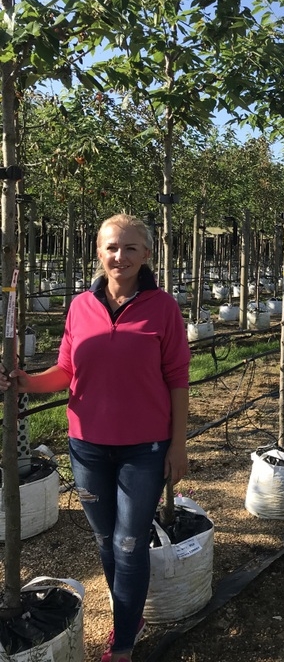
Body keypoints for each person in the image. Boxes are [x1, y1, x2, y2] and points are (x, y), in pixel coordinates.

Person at [1, 214, 190, 662]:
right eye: (111, 247)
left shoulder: (163, 307)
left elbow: (178, 379)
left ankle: (122, 643)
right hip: (87, 446)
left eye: (130, 248)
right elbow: (67, 370)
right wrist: (26, 382)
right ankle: (131, 614)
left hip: (144, 448)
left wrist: (178, 445)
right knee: (106, 539)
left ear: (147, 254)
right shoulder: (80, 306)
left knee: (129, 541)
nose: (120, 256)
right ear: (99, 252)